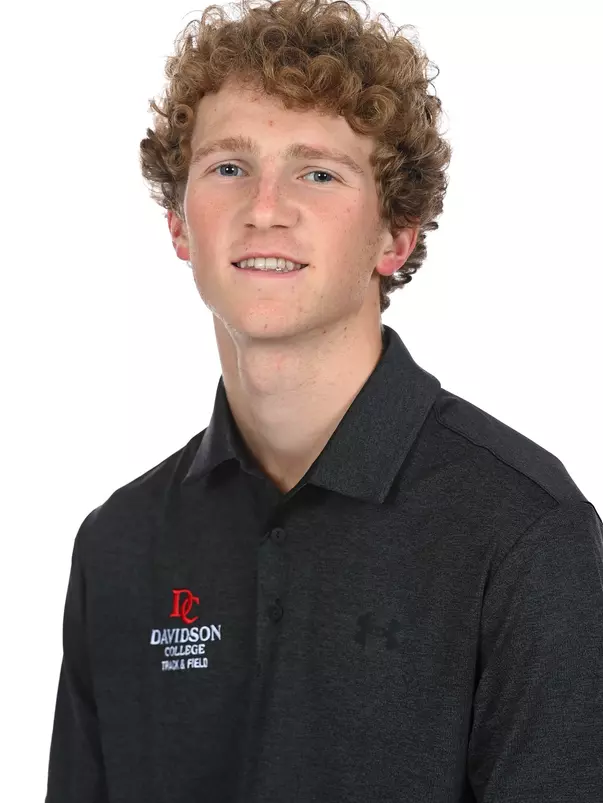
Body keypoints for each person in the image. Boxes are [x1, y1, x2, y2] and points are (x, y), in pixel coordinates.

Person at [45, 0, 603, 801]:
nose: (264, 207)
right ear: (178, 224)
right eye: (228, 167)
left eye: (317, 171)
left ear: (395, 235)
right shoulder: (119, 546)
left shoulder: (518, 529)